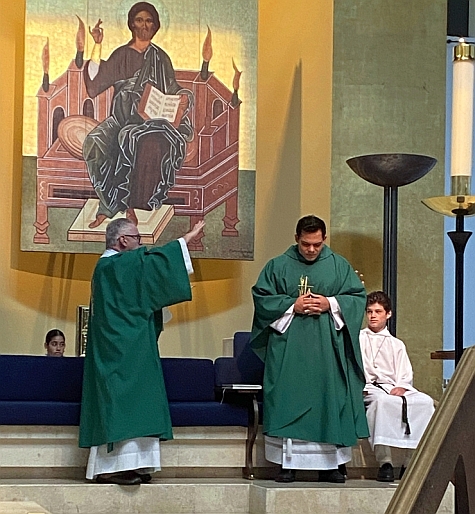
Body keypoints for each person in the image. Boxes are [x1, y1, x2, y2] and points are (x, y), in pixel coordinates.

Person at [79, 217, 205, 485]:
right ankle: (113, 468)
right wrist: (185, 242)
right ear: (123, 240)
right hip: (120, 351)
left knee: (138, 404)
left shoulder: (114, 266)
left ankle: (136, 465)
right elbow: (153, 264)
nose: (141, 244)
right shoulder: (113, 266)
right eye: (138, 238)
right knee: (123, 405)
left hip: (131, 347)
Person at [250, 215, 369, 483]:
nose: (312, 250)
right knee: (289, 399)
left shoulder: (338, 266)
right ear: (296, 239)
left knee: (330, 399)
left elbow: (357, 298)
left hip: (328, 349)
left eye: (316, 244)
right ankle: (288, 464)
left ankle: (331, 465)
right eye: (306, 244)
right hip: (289, 350)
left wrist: (330, 304)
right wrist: (293, 306)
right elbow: (262, 299)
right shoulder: (278, 266)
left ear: (324, 239)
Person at [81, 2, 194, 228]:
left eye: (149, 20)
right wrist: (97, 45)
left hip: (151, 120)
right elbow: (95, 84)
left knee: (132, 140)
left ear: (156, 26)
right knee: (94, 143)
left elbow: (172, 87)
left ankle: (129, 207)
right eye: (140, 20)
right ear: (132, 23)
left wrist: (183, 96)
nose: (145, 25)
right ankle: (110, 203)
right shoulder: (121, 54)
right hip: (122, 117)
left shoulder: (160, 57)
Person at [360, 291, 435, 482]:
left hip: (395, 386)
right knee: (382, 402)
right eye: (369, 311)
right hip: (371, 388)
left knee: (425, 403)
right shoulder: (358, 339)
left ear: (388, 314)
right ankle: (385, 462)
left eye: (378, 311)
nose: (373, 316)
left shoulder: (396, 344)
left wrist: (402, 386)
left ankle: (409, 463)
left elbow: (404, 373)